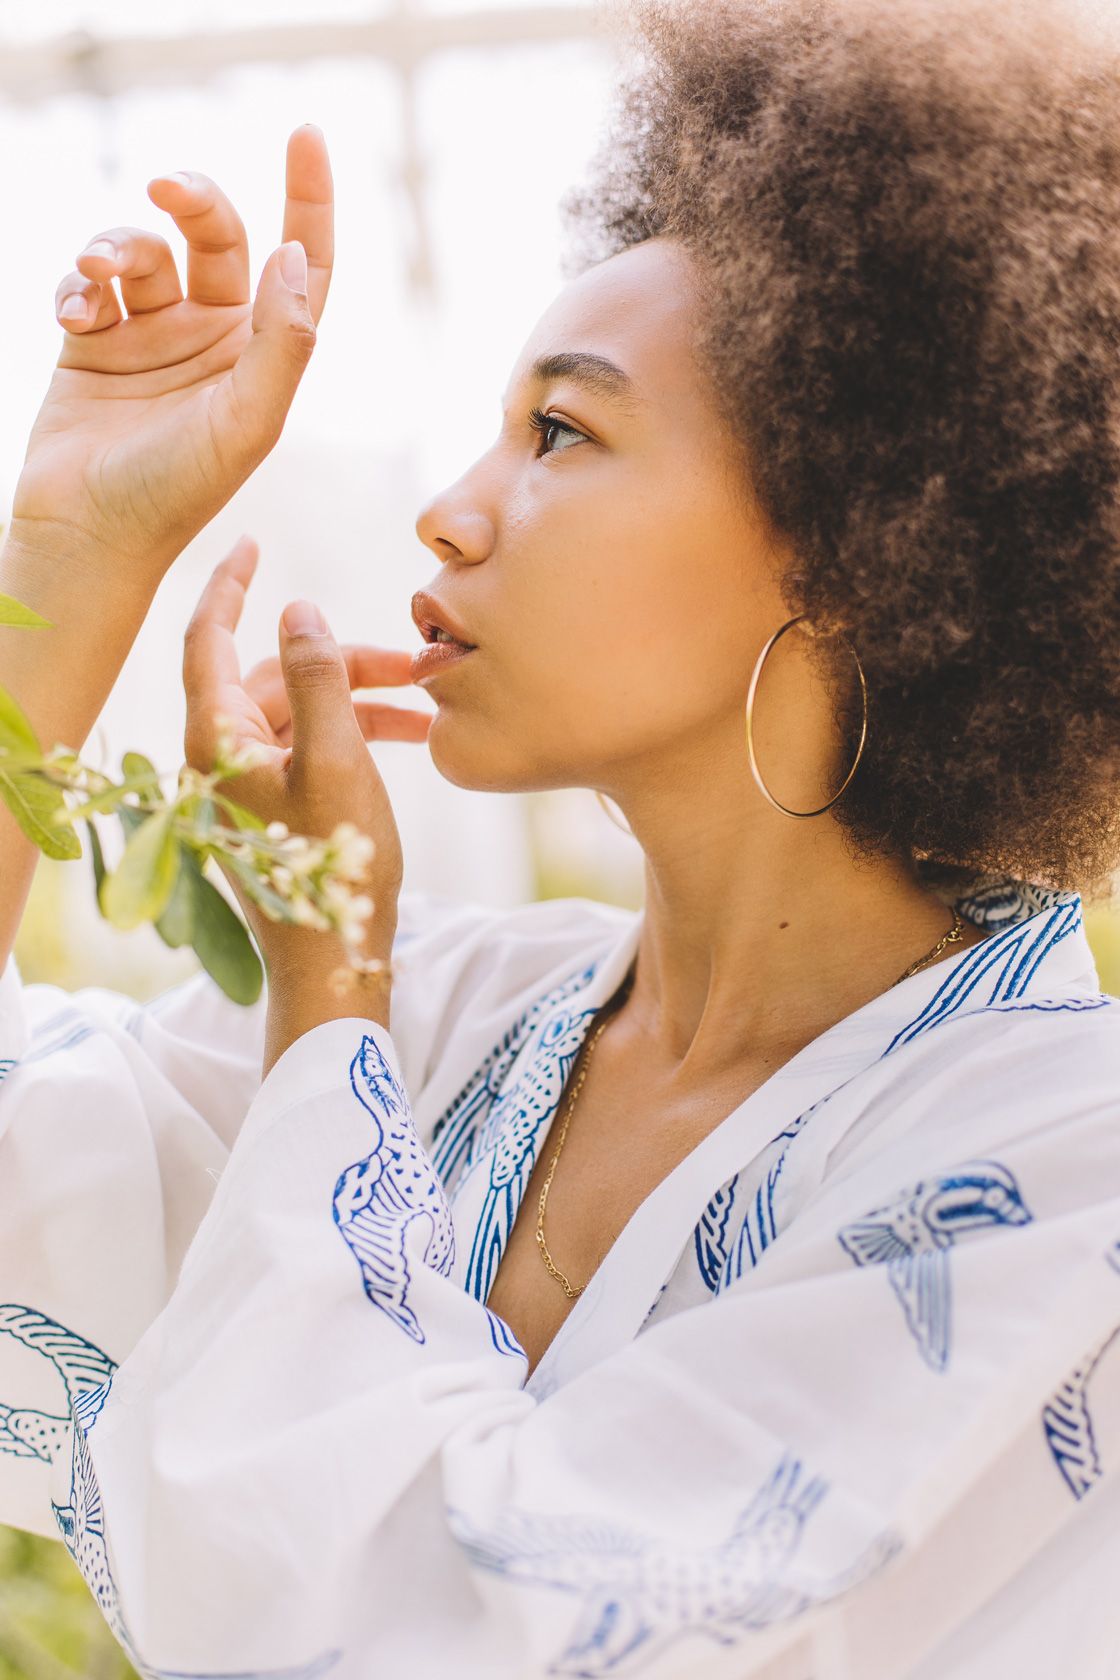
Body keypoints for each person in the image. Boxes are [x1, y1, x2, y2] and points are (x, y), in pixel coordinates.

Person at [2, 0, 1119, 1674]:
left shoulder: (1060, 1171)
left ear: (863, 543)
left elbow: (456, 1634)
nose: (452, 507)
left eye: (562, 433)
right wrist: (72, 551)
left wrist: (327, 990)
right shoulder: (451, 1008)